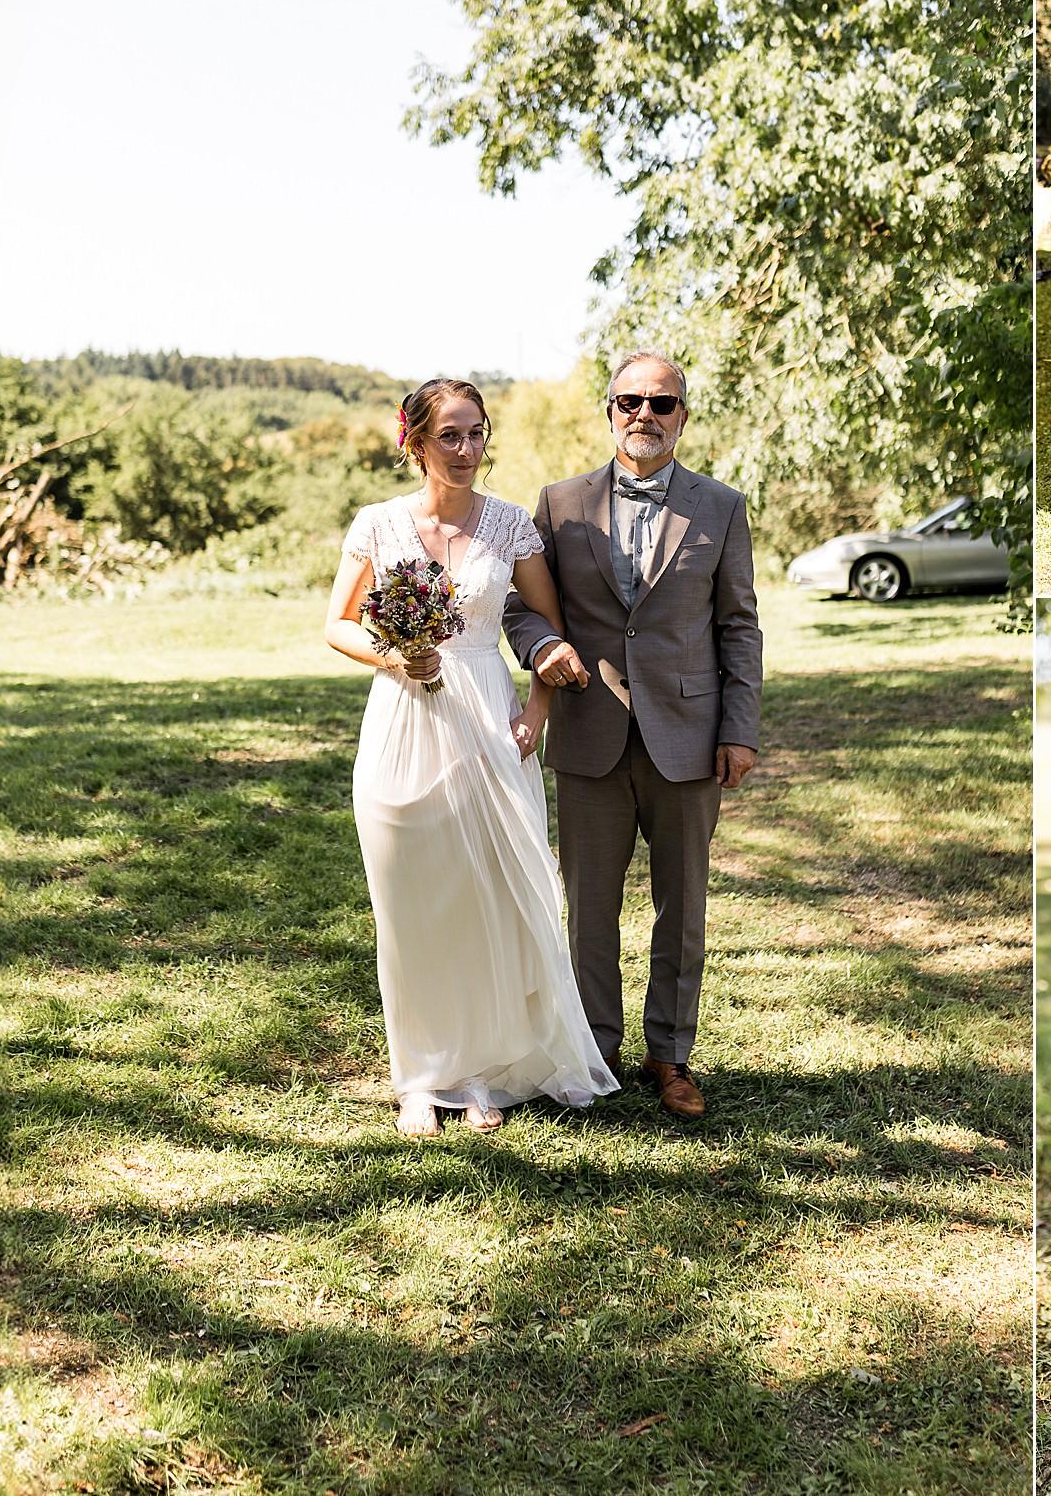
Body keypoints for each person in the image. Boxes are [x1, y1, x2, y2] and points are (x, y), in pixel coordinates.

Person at [324, 377, 617, 1136]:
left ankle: (483, 1071)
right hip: (403, 721)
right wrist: (395, 658)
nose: (466, 450)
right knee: (412, 901)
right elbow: (338, 625)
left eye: (477, 433)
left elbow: (549, 629)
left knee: (487, 898)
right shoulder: (378, 525)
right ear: (415, 444)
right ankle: (421, 1076)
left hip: (490, 718)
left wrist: (538, 713)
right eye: (449, 435)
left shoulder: (512, 525)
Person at [503, 351, 763, 1119]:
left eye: (662, 403)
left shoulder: (720, 507)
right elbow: (523, 607)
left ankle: (670, 1057)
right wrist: (540, 647)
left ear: (684, 414)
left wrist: (740, 729)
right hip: (589, 734)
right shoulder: (558, 504)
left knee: (682, 909)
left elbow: (739, 627)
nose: (643, 415)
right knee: (588, 909)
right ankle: (594, 1050)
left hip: (690, 735)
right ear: (608, 410)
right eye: (629, 402)